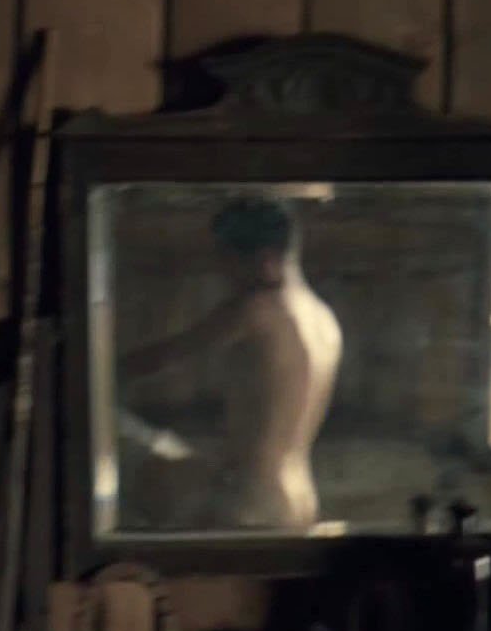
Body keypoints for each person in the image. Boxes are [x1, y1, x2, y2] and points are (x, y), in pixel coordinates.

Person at [119, 197, 343, 530]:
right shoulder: (324, 318)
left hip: (252, 503)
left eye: (227, 261)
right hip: (301, 501)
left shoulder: (255, 309)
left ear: (263, 258)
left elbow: (163, 357)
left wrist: (97, 373)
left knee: (127, 446)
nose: (224, 274)